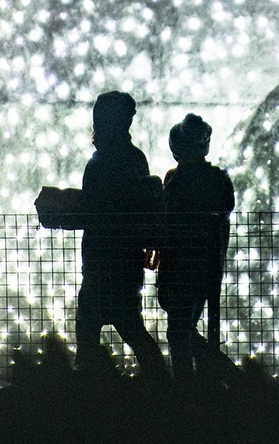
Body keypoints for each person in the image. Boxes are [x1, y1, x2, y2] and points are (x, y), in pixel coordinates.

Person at [75, 90, 167, 376]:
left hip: (102, 257)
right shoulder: (134, 159)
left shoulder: (100, 162)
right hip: (124, 258)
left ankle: (88, 383)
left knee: (91, 325)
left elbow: (92, 206)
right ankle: (161, 381)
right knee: (129, 324)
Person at [156, 113, 236, 378]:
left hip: (179, 265)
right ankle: (213, 377)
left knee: (179, 331)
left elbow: (166, 219)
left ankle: (194, 383)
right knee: (184, 328)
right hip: (205, 265)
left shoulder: (175, 181)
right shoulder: (217, 180)